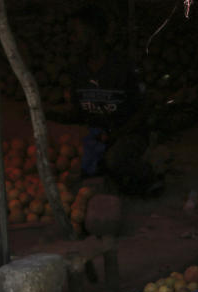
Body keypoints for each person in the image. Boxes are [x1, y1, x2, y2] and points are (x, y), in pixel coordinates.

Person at [65, 8, 158, 195]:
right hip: (100, 135)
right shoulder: (78, 70)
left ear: (92, 33)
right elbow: (78, 113)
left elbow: (145, 109)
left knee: (114, 160)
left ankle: (152, 173)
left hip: (129, 134)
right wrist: (43, 113)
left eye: (75, 33)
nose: (71, 39)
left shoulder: (122, 67)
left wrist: (117, 134)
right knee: (76, 173)